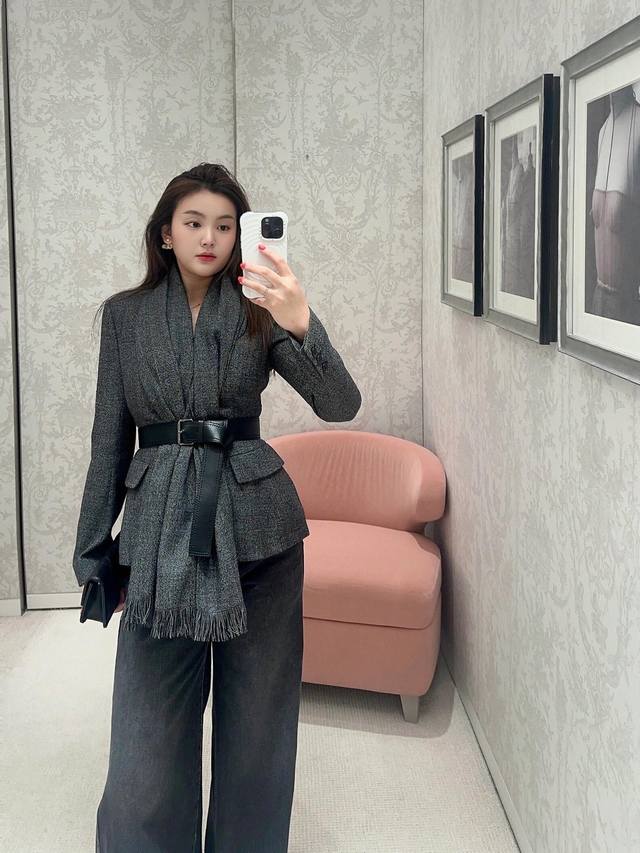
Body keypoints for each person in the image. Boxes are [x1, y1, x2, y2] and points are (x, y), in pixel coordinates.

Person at [72, 162, 362, 852]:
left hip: (260, 533)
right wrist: (94, 555)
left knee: (258, 729)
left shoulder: (261, 307)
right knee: (146, 746)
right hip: (158, 536)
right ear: (166, 233)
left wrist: (301, 320)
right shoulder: (126, 317)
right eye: (194, 222)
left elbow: (340, 404)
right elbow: (109, 441)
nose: (210, 238)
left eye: (225, 226)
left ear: (241, 236)